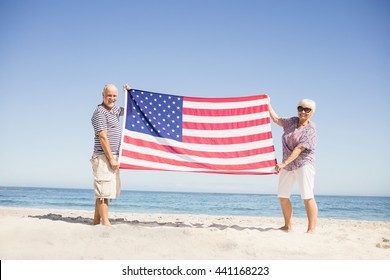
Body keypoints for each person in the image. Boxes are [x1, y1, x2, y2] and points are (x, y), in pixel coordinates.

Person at [268, 97, 318, 233]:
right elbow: (277, 120)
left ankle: (311, 229)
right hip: (287, 165)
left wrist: (284, 163)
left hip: (304, 163)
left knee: (307, 196)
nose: (303, 112)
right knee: (283, 196)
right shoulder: (292, 121)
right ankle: (287, 226)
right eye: (300, 108)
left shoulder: (311, 129)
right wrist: (267, 103)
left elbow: (299, 149)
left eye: (307, 109)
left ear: (312, 112)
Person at [90, 83, 131, 226]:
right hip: (103, 156)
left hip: (113, 155)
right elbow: (102, 137)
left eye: (114, 96)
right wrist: (111, 159)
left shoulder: (115, 110)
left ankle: (96, 221)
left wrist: (130, 94)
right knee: (103, 191)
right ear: (103, 95)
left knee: (104, 190)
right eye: (109, 95)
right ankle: (105, 222)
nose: (112, 98)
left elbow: (130, 110)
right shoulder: (100, 113)